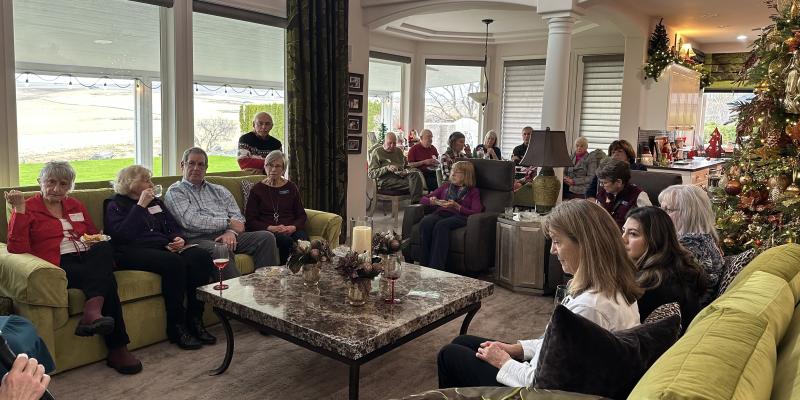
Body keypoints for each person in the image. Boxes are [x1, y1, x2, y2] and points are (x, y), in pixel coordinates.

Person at [437, 200, 641, 388]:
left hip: (536, 389)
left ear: (585, 245)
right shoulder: (612, 287)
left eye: (557, 242)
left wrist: (503, 360)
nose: (553, 250)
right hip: (547, 368)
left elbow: (540, 383)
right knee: (462, 342)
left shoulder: (590, 308)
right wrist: (515, 349)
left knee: (450, 355)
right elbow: (555, 345)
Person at [4, 161, 142, 374]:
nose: (57, 189)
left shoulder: (75, 205)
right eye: (51, 182)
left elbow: (93, 233)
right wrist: (19, 210)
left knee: (104, 247)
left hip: (87, 257)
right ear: (40, 181)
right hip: (58, 265)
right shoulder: (28, 207)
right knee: (106, 280)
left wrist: (97, 239)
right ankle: (118, 348)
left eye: (63, 183)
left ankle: (93, 311)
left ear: (70, 187)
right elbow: (17, 248)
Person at [104, 165, 216, 350]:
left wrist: (178, 238)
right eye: (146, 180)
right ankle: (177, 326)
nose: (151, 184)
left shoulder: (156, 202)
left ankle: (196, 319)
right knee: (174, 263)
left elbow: (171, 226)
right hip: (131, 252)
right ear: (130, 183)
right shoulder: (114, 204)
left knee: (200, 256)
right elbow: (121, 236)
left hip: (163, 247)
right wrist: (140, 206)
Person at [164, 147, 280, 279]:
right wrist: (228, 224)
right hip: (197, 239)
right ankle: (235, 297)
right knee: (221, 250)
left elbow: (238, 217)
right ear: (182, 165)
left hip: (228, 234)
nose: (196, 168)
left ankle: (266, 288)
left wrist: (231, 232)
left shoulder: (219, 190)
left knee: (266, 238)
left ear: (206, 168)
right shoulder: (176, 192)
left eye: (201, 164)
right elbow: (190, 221)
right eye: (191, 163)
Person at [622, 207, 707, 331]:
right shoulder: (675, 267)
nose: (623, 239)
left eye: (633, 234)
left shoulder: (654, 285)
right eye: (623, 231)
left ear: (654, 239)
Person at [658, 185, 724, 306]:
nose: (661, 215)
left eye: (668, 210)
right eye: (661, 209)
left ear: (688, 213)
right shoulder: (703, 238)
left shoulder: (691, 246)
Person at [245, 151, 309, 264]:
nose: (273, 169)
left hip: (290, 228)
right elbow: (250, 221)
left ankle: (305, 273)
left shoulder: (291, 187)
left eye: (277, 166)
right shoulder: (257, 189)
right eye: (269, 165)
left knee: (303, 240)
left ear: (283, 169)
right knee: (285, 241)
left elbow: (301, 215)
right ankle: (285, 274)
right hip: (269, 231)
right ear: (265, 167)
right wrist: (271, 228)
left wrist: (292, 227)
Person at [418, 161, 483, 270]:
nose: (452, 174)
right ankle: (423, 266)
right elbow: (422, 199)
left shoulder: (473, 191)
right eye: (452, 171)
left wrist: (458, 207)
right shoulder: (446, 187)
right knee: (426, 222)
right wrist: (433, 202)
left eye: (457, 172)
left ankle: (436, 268)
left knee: (441, 225)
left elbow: (477, 212)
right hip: (442, 213)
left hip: (461, 217)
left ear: (466, 175)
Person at [595, 158, 652, 228]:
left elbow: (650, 221)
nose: (601, 185)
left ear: (619, 182)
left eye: (605, 182)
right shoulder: (603, 193)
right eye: (600, 182)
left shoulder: (638, 195)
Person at [368, 132, 424, 202]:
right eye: (389, 143)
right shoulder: (377, 152)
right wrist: (387, 168)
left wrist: (405, 171)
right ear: (384, 141)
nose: (392, 146)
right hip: (386, 181)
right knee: (416, 184)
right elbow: (371, 174)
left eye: (394, 143)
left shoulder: (398, 151)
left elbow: (406, 166)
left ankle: (416, 206)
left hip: (401, 178)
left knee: (415, 175)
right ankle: (417, 205)